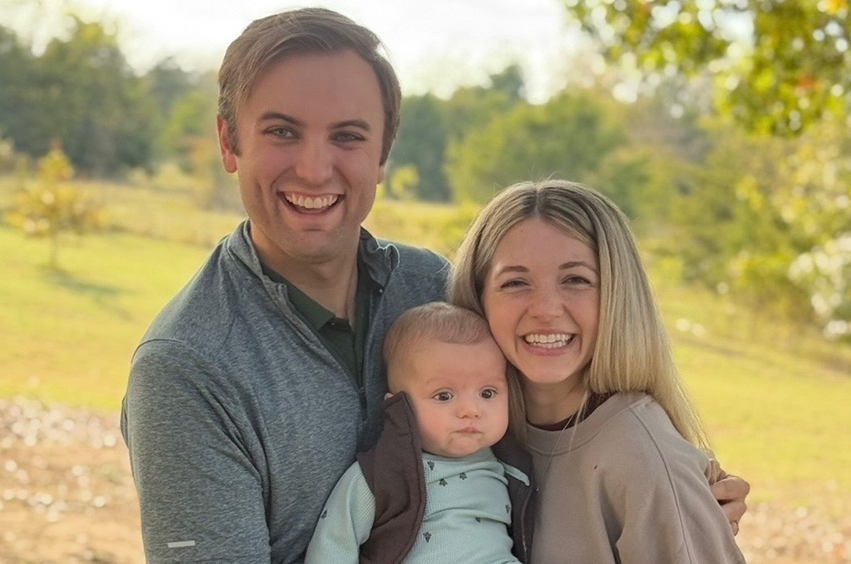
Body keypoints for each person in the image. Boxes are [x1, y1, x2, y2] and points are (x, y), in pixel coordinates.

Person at [120, 7, 748, 564]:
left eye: (348, 135)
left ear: (383, 154)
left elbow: (548, 423)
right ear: (230, 141)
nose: (314, 167)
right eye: (282, 131)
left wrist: (670, 502)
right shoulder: (186, 369)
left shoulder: (436, 288)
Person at [450, 179, 747, 563]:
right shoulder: (467, 429)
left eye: (576, 280)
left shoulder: (642, 460)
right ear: (478, 298)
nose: (545, 308)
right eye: (515, 282)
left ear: (617, 293)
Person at [304, 302, 529, 563]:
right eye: (444, 395)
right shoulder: (382, 474)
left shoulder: (510, 464)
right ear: (399, 408)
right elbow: (333, 544)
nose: (471, 410)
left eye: (487, 393)